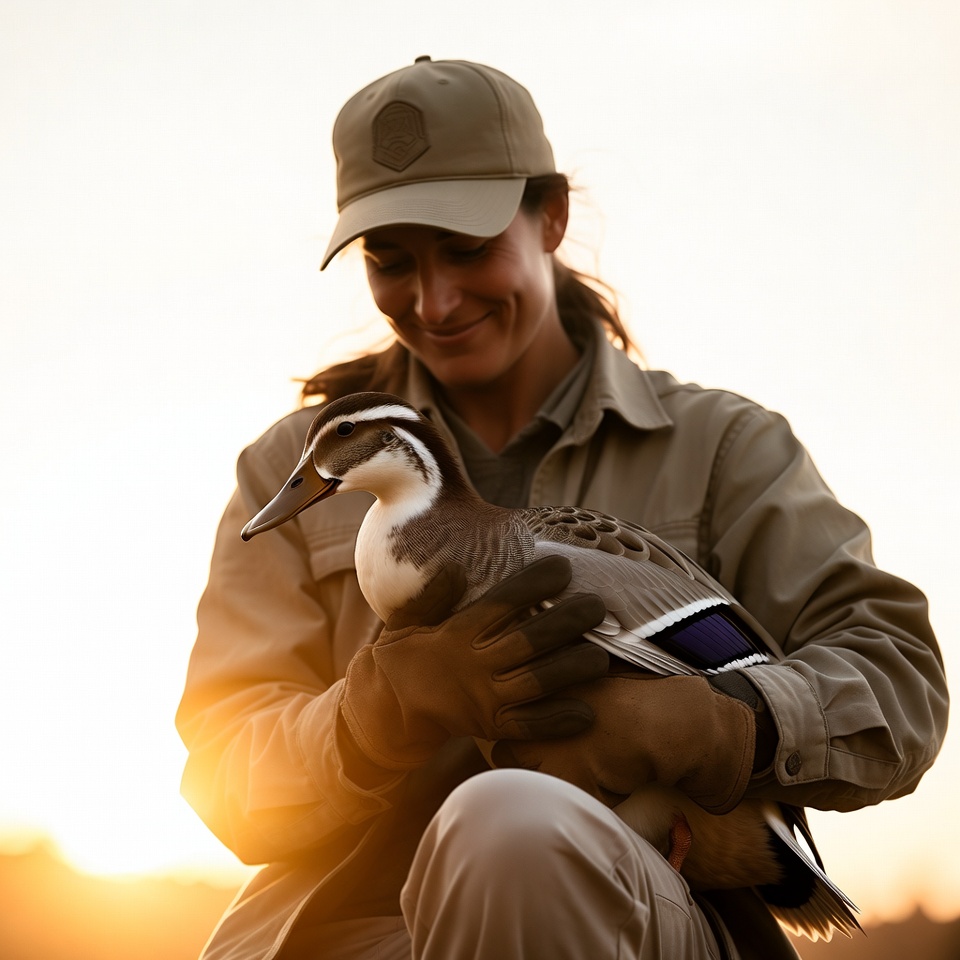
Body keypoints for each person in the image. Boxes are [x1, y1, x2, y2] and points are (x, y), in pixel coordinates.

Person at [176, 57, 948, 960]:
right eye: (391, 262)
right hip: (359, 927)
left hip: (631, 911)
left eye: (467, 249)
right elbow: (220, 773)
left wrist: (717, 721)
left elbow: (899, 679)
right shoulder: (293, 467)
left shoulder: (724, 447)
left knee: (513, 831)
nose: (433, 301)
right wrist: (371, 720)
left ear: (553, 218)